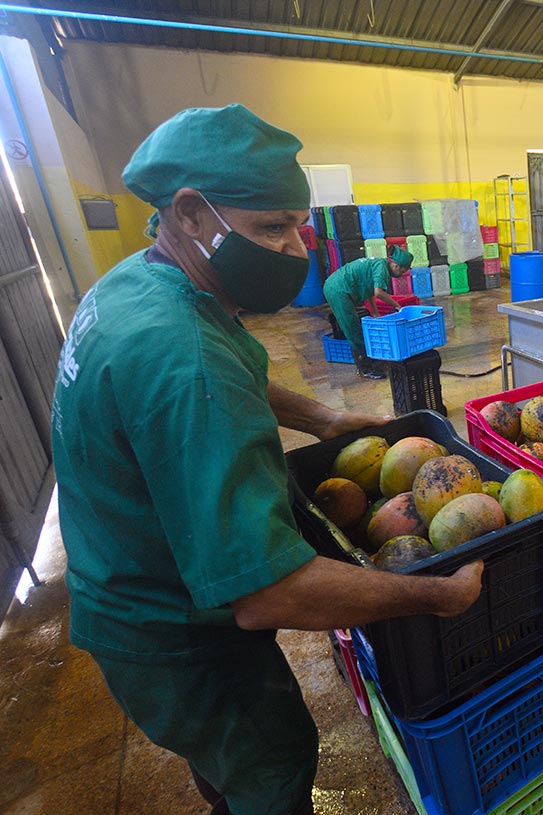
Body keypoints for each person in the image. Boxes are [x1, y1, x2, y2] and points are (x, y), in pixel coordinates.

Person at [50, 104, 483, 815]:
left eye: (296, 225)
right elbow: (267, 594)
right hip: (171, 630)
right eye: (270, 227)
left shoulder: (138, 283)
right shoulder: (184, 361)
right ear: (190, 213)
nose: (293, 250)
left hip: (124, 582)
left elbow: (225, 362)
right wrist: (436, 595)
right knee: (272, 759)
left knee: (223, 758)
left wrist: (323, 416)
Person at [323, 249, 412, 379]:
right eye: (402, 271)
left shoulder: (380, 264)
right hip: (338, 290)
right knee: (353, 328)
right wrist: (397, 305)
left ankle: (372, 363)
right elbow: (378, 292)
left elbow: (369, 290)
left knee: (358, 325)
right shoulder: (382, 268)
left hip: (341, 287)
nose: (401, 274)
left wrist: (375, 312)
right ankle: (365, 369)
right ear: (396, 265)